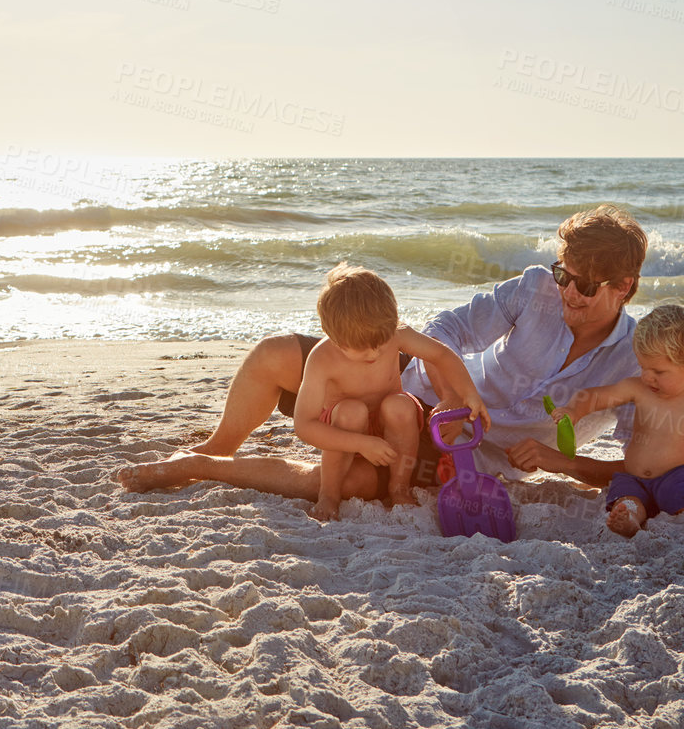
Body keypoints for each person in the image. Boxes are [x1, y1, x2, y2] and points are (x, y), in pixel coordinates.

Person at [117, 205, 649, 501]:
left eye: (586, 286)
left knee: (339, 482)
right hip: (412, 387)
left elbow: (643, 467)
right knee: (272, 355)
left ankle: (202, 468)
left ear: (624, 285)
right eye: (565, 275)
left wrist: (562, 463)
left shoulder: (632, 362)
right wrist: (448, 391)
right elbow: (450, 330)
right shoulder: (536, 289)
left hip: (455, 455)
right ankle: (218, 445)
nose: (569, 293)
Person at [294, 264, 489, 520]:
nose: (376, 353)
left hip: (391, 426)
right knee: (352, 411)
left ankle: (398, 487)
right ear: (336, 339)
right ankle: (328, 494)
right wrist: (361, 443)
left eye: (381, 344)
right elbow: (304, 425)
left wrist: (469, 394)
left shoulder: (394, 334)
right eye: (364, 349)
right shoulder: (322, 358)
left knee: (400, 405)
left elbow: (441, 354)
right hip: (346, 429)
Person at [554, 304, 684, 537]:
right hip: (636, 477)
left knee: (681, 498)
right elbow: (597, 396)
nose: (647, 376)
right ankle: (629, 518)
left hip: (682, 480)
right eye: (642, 367)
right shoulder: (639, 389)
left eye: (658, 371)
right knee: (626, 498)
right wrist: (573, 410)